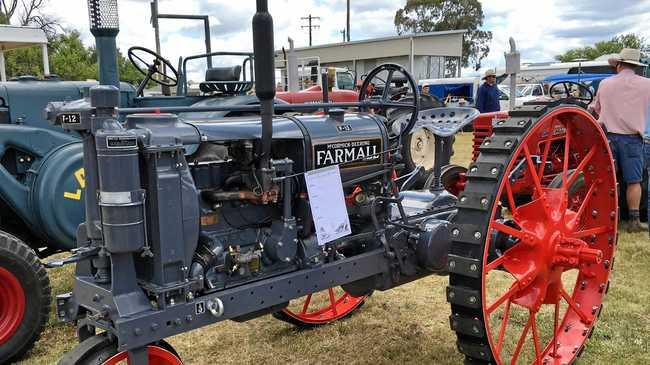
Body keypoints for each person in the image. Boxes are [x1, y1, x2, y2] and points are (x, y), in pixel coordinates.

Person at [589, 48, 650, 233]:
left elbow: (595, 108)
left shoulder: (605, 84)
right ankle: (634, 221)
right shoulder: (647, 84)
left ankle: (606, 218)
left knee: (607, 179)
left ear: (619, 65)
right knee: (634, 181)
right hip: (633, 138)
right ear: (636, 66)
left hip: (607, 137)